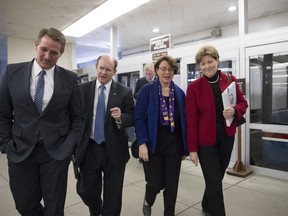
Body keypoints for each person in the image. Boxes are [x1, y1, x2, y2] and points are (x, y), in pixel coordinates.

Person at [0, 28, 83, 216]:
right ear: (36, 45)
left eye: (54, 52)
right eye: (44, 49)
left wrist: (69, 145)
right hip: (21, 150)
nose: (47, 56)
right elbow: (3, 113)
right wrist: (5, 144)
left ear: (60, 53)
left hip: (55, 153)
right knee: (24, 205)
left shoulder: (69, 79)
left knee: (54, 209)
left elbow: (77, 117)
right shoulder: (12, 72)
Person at [186, 45, 248, 216]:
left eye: (210, 61)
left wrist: (235, 110)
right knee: (214, 182)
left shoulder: (230, 79)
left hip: (227, 137)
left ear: (217, 61)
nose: (207, 66)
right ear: (200, 66)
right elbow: (191, 120)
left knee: (216, 178)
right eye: (203, 63)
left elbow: (243, 103)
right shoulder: (194, 87)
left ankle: (206, 204)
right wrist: (192, 149)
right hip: (206, 141)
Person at [76, 55, 134, 216]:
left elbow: (133, 115)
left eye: (108, 69)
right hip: (89, 148)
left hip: (114, 150)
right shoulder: (82, 90)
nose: (103, 72)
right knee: (87, 191)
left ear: (114, 71)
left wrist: (122, 117)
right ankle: (96, 211)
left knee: (113, 196)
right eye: (101, 68)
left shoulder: (124, 92)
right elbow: (75, 118)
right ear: (96, 67)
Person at [134, 55, 188, 216]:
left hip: (174, 145)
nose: (167, 72)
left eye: (171, 69)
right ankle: (148, 200)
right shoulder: (147, 91)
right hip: (152, 145)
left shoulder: (179, 93)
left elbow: (184, 121)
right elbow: (139, 117)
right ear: (157, 70)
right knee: (155, 183)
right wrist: (142, 143)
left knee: (172, 185)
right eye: (163, 69)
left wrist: (185, 147)